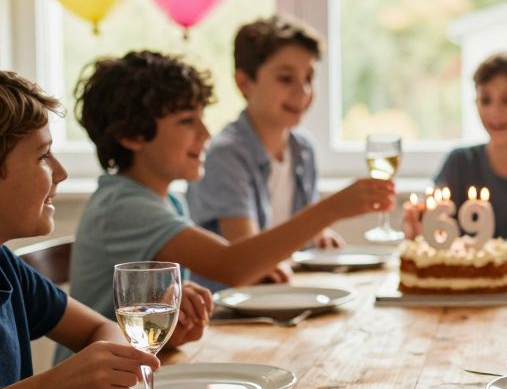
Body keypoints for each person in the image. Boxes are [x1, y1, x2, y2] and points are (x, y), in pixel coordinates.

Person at [68, 51, 393, 332]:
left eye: (202, 118)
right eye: (186, 121)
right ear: (132, 136)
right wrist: (332, 209)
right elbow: (231, 264)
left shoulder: (168, 201)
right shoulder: (124, 206)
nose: (206, 133)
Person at [0, 71, 204, 389]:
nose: (60, 172)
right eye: (43, 156)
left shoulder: (4, 265)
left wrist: (118, 356)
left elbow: (98, 327)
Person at [187, 15, 339, 286]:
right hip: (232, 312)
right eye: (286, 78)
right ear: (245, 83)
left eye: (309, 78)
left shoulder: (303, 149)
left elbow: (300, 237)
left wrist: (320, 234)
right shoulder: (225, 154)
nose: (302, 91)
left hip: (281, 297)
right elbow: (248, 259)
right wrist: (332, 211)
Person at [403, 52, 507, 249]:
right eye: (485, 100)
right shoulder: (459, 162)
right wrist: (418, 222)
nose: (495, 112)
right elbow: (432, 219)